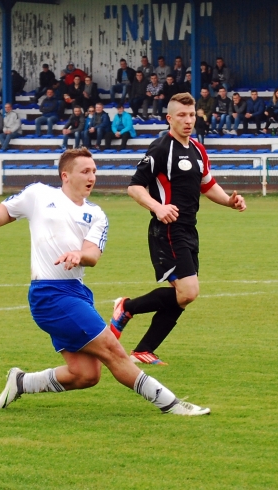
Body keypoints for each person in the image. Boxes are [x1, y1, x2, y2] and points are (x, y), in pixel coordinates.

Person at [0, 147, 210, 417]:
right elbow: (8, 208)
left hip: (76, 293)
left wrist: (79, 255)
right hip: (49, 294)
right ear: (66, 175)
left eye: (95, 172)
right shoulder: (39, 194)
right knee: (114, 350)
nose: (92, 177)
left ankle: (22, 382)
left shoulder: (96, 215)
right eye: (85, 171)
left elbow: (92, 255)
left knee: (86, 374)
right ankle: (172, 404)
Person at [107, 92, 246, 365]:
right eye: (181, 115)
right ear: (169, 118)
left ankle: (143, 350)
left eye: (192, 115)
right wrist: (158, 207)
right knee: (189, 291)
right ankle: (126, 307)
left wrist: (229, 201)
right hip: (167, 229)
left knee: (183, 297)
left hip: (189, 229)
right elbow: (134, 187)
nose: (188, 120)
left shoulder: (197, 149)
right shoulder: (161, 148)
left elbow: (207, 185)